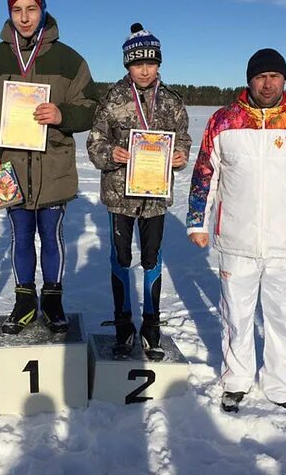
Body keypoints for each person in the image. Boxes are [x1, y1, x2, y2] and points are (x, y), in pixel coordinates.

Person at [187, 48, 286, 411]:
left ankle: (280, 383)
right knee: (236, 316)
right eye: (260, 76)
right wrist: (197, 220)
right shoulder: (224, 121)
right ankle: (236, 379)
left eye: (274, 76)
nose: (267, 84)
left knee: (282, 318)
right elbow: (205, 173)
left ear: (285, 79)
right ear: (249, 79)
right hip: (236, 240)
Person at [0, 0, 98, 335]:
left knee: (51, 235)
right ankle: (25, 301)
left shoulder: (69, 59)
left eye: (31, 9)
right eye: (17, 10)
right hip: (8, 166)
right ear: (9, 13)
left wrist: (62, 115)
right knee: (20, 235)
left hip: (52, 165)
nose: (25, 18)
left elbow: (90, 107)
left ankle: (53, 301)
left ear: (43, 10)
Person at [87, 23, 191, 360]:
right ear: (127, 65)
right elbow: (94, 142)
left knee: (151, 260)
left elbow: (183, 137)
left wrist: (181, 155)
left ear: (159, 64)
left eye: (150, 63)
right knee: (120, 259)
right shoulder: (113, 99)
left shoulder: (172, 102)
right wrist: (110, 154)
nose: (144, 70)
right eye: (137, 64)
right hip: (120, 196)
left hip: (155, 199)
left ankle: (151, 327)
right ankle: (122, 327)